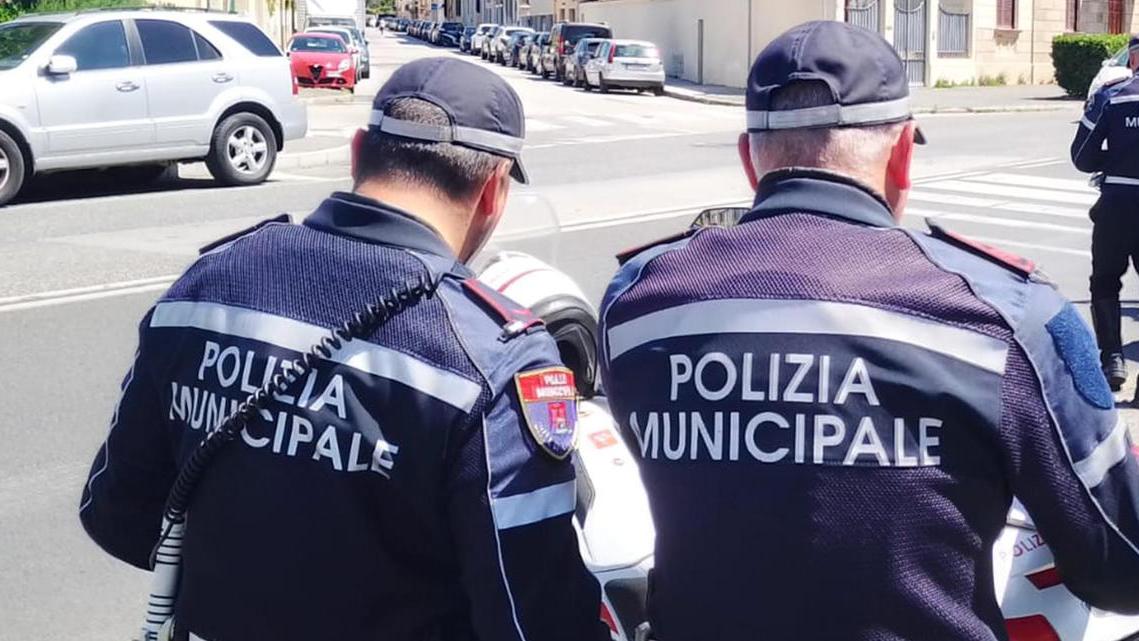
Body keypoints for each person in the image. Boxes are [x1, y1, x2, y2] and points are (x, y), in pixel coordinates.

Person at [599, 20, 1139, 641]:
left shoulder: (635, 304)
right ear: (904, 154)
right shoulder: (1003, 313)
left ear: (751, 162)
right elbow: (1119, 564)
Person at [79, 57, 608, 641]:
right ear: (494, 191)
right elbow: (534, 619)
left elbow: (119, 518)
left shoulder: (205, 284)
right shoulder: (494, 356)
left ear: (357, 152)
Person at [1071, 35, 1139, 390]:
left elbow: (1081, 156)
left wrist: (1112, 161)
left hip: (1116, 204)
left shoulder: (1112, 97)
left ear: (1133, 58)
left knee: (1105, 282)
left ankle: (1112, 359)